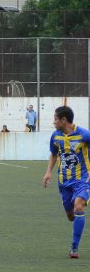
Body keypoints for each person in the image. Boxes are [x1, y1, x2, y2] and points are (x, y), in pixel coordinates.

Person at [42, 105, 90, 258]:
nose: (54, 122)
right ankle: (75, 222)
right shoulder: (55, 136)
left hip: (83, 180)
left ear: (64, 120)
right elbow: (54, 154)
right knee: (71, 215)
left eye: (55, 119)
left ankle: (74, 247)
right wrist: (48, 172)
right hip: (64, 182)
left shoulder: (84, 135)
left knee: (79, 206)